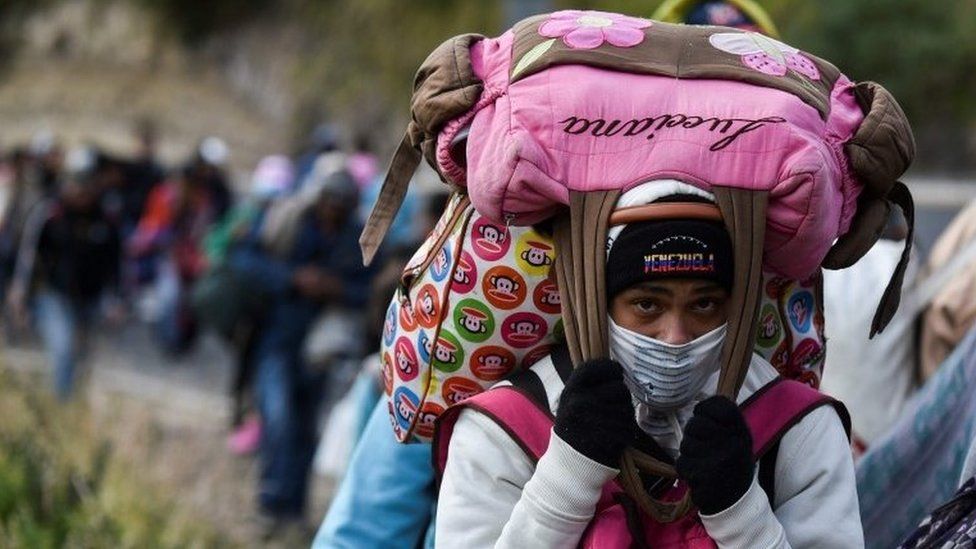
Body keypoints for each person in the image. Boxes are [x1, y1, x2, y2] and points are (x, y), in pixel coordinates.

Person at [436, 183, 861, 547]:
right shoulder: (505, 428)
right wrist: (567, 475)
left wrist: (741, 512)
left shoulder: (797, 429)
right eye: (646, 304)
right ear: (596, 301)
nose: (675, 336)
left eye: (705, 304)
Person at [231, 168, 376, 530]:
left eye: (342, 206)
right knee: (277, 418)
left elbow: (372, 290)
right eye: (330, 203)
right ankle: (270, 501)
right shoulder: (288, 220)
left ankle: (292, 508)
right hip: (275, 337)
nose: (333, 211)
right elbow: (245, 260)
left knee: (305, 428)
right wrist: (292, 278)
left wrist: (334, 289)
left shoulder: (359, 239)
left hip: (321, 347)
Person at [6, 147, 122, 400]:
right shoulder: (50, 213)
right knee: (63, 347)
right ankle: (61, 405)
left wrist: (115, 299)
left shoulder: (106, 219)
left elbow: (116, 264)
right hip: (53, 294)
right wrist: (19, 291)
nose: (81, 189)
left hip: (90, 298)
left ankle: (70, 409)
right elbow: (29, 254)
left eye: (87, 182)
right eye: (77, 182)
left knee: (82, 357)